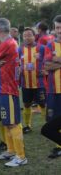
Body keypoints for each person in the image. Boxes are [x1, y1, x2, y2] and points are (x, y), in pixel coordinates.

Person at [0, 18, 27, 167]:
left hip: (8, 89)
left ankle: (21, 156)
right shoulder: (10, 43)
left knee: (12, 122)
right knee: (6, 121)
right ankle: (10, 150)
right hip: (2, 88)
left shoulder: (7, 44)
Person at [18, 27, 46, 133]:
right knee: (26, 104)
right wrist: (19, 71)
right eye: (25, 36)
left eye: (29, 35)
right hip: (26, 83)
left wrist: (45, 70)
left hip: (40, 83)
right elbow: (17, 64)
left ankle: (47, 125)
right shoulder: (20, 49)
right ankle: (28, 125)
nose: (27, 37)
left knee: (43, 104)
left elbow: (47, 60)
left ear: (34, 36)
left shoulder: (42, 48)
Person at [43, 14, 61, 159]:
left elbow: (52, 63)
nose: (59, 30)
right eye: (57, 28)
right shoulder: (50, 45)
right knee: (53, 120)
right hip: (53, 89)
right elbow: (47, 66)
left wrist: (56, 61)